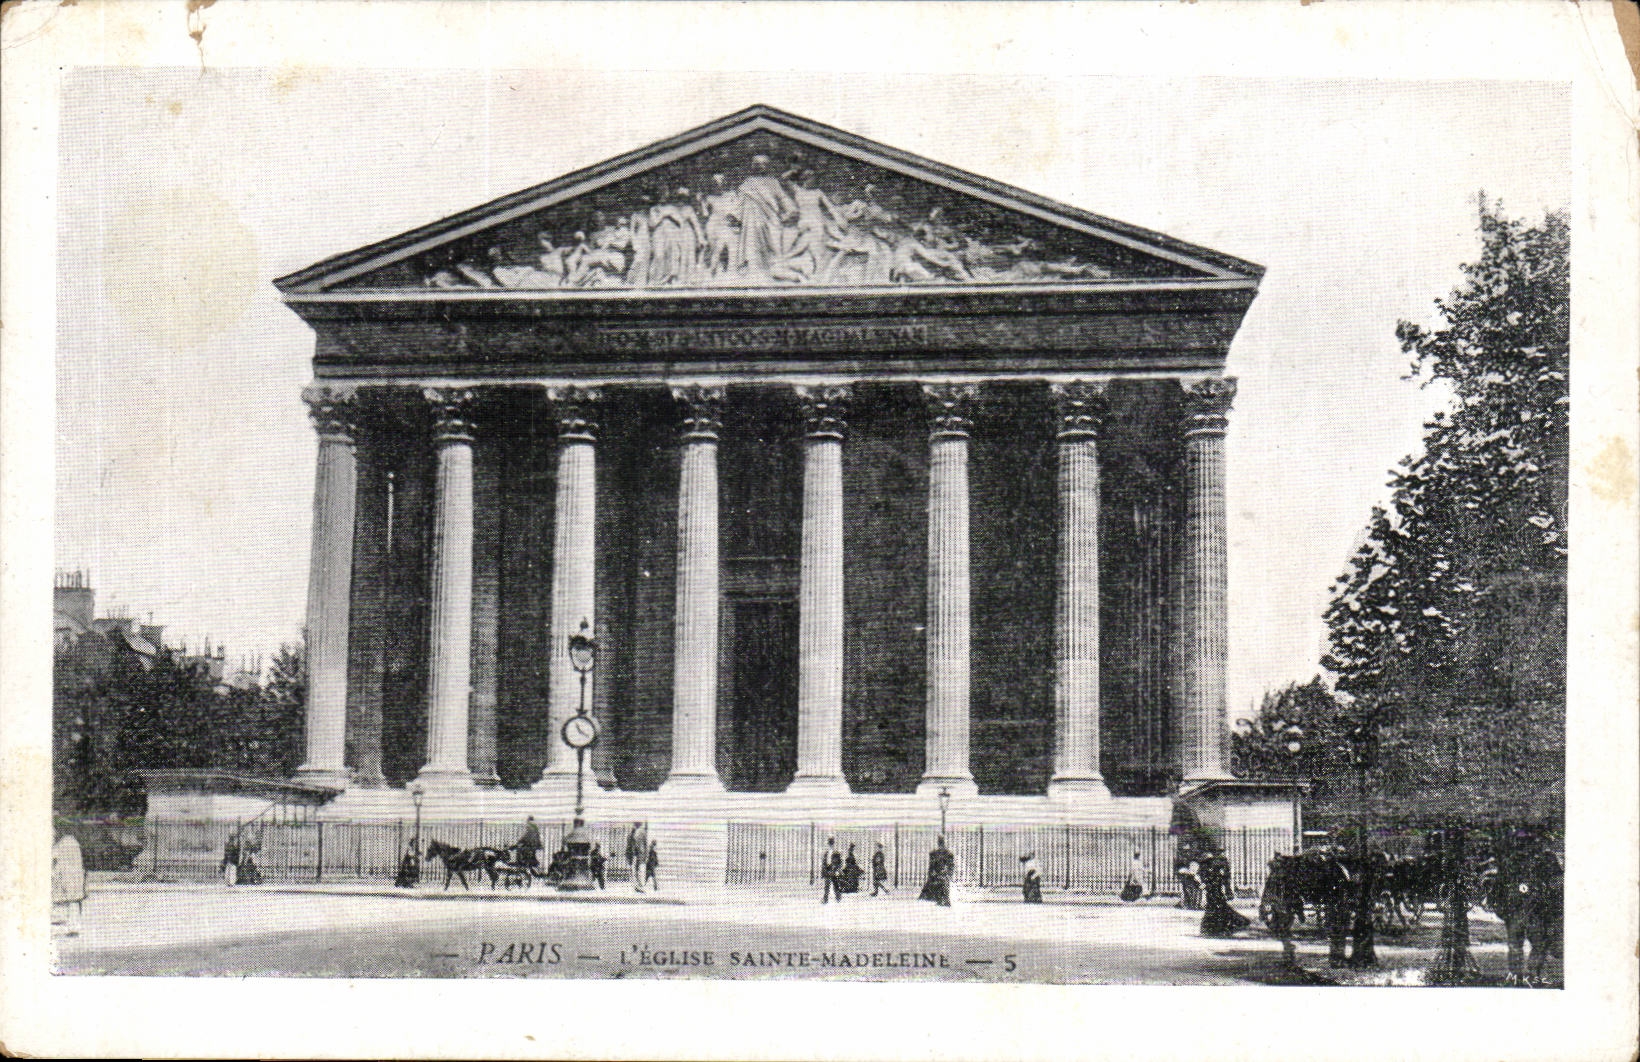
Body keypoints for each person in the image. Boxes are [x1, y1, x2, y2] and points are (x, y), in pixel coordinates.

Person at [1199, 850, 1250, 937]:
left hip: (1215, 894)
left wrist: (1206, 885)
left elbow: (1216, 881)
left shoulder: (1213, 870)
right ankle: (1213, 928)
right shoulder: (1210, 870)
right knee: (1218, 910)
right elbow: (1216, 881)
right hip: (1213, 894)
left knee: (1218, 910)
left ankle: (1213, 928)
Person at [51, 832, 86, 936]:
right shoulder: (74, 842)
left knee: (67, 901)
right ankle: (74, 927)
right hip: (76, 876)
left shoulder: (62, 844)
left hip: (66, 876)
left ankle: (66, 926)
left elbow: (53, 857)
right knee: (75, 901)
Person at [919, 836, 954, 907]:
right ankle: (943, 901)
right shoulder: (948, 853)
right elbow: (951, 865)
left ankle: (940, 900)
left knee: (937, 885)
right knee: (944, 886)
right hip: (944, 873)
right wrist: (949, 873)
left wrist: (931, 873)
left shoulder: (934, 853)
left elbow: (931, 865)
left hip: (937, 873)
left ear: (938, 843)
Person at [626, 822, 648, 891]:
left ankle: (641, 885)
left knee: (640, 870)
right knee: (634, 870)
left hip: (640, 854)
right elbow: (628, 846)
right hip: (634, 855)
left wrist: (646, 855)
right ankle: (636, 886)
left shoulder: (643, 833)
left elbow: (645, 844)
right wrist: (628, 856)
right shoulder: (630, 834)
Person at [820, 837, 842, 904]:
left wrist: (837, 869)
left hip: (833, 870)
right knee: (827, 886)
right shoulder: (826, 853)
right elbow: (824, 862)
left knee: (835, 885)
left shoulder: (836, 853)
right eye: (829, 843)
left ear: (833, 843)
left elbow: (839, 862)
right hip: (828, 870)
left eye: (831, 843)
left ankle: (838, 897)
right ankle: (825, 899)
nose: (830, 844)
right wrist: (823, 871)